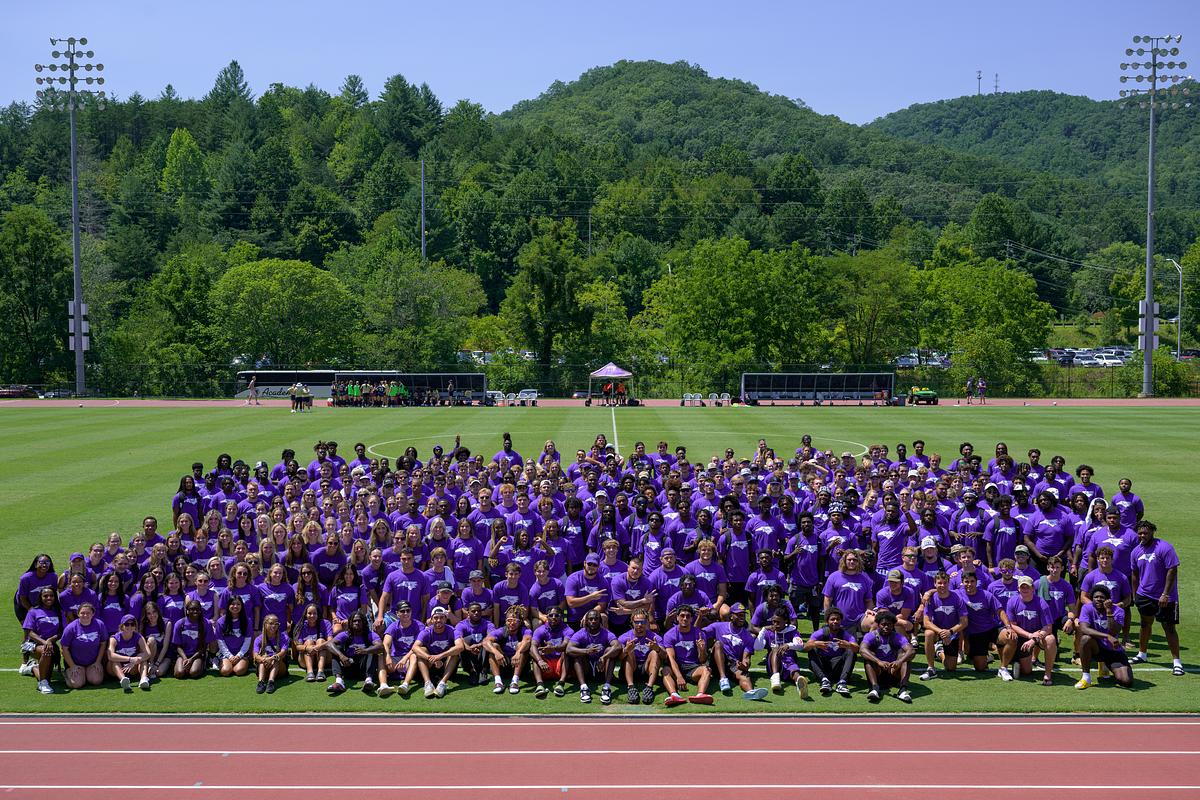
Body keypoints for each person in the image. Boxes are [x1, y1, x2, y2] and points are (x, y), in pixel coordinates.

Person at [1129, 521, 1183, 675]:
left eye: (1145, 533)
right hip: (1144, 595)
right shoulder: (1136, 552)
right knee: (1145, 624)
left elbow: (1172, 570)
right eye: (1140, 533)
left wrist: (1165, 594)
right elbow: (1134, 574)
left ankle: (1177, 662)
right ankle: (1142, 654)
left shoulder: (1164, 547)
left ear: (1152, 532)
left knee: (1169, 627)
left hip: (1165, 597)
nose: (1142, 536)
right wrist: (1135, 595)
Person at [998, 576, 1057, 685]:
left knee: (1051, 639)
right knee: (1026, 671)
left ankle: (1048, 674)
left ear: (1033, 588)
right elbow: (1012, 625)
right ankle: (1011, 662)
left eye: (1027, 587)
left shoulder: (1041, 603)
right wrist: (1029, 635)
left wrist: (1034, 639)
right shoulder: (1013, 601)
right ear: (1018, 589)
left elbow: (1048, 627)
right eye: (1022, 587)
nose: (1025, 589)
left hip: (1038, 635)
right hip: (1021, 635)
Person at [708, 603, 766, 700]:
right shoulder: (718, 626)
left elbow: (746, 657)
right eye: (739, 615)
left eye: (743, 615)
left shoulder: (747, 636)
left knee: (744, 675)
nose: (742, 618)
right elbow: (700, 633)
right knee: (718, 644)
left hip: (733, 664)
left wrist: (744, 665)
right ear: (731, 616)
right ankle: (723, 679)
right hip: (716, 662)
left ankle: (751, 692)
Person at [661, 605, 714, 707]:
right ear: (677, 618)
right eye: (682, 616)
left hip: (693, 667)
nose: (685, 618)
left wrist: (702, 650)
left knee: (707, 669)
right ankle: (674, 695)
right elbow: (671, 658)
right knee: (665, 670)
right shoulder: (669, 635)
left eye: (688, 616)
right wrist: (679, 677)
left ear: (692, 619)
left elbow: (702, 660)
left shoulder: (699, 634)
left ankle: (700, 695)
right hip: (676, 665)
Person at [566, 609, 621, 704]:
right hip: (587, 669)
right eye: (590, 619)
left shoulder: (606, 633)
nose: (593, 621)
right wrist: (586, 651)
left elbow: (618, 646)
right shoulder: (581, 633)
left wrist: (603, 657)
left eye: (596, 619)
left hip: (602, 669)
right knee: (577, 654)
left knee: (610, 651)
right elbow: (568, 649)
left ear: (600, 621)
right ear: (586, 621)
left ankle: (607, 687)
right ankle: (583, 688)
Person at [919, 571, 968, 680]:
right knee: (928, 633)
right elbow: (926, 622)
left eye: (945, 583)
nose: (942, 585)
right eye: (939, 583)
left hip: (952, 633)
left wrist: (950, 632)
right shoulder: (931, 599)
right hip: (937, 632)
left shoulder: (957, 597)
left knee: (951, 668)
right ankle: (931, 668)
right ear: (935, 584)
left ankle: (939, 651)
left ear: (949, 583)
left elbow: (964, 621)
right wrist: (941, 632)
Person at [859, 610, 915, 703]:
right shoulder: (871, 635)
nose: (886, 627)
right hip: (878, 672)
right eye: (883, 624)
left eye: (889, 624)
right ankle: (874, 688)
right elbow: (862, 649)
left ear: (893, 625)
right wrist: (878, 662)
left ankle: (902, 690)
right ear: (878, 625)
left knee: (905, 655)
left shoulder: (897, 636)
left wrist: (899, 662)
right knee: (869, 656)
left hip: (893, 671)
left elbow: (911, 650)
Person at [756, 607, 809, 699]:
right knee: (776, 649)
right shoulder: (769, 632)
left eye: (778, 622)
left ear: (785, 621)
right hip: (773, 663)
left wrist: (788, 645)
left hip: (789, 660)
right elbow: (757, 647)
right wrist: (763, 630)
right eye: (773, 621)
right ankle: (775, 678)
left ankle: (800, 684)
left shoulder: (792, 631)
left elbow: (800, 645)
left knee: (795, 672)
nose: (775, 624)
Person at [325, 611, 383, 695]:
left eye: (359, 621)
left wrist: (365, 650)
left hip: (364, 668)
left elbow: (381, 647)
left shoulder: (370, 634)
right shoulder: (345, 634)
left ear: (363, 622)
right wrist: (341, 656)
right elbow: (328, 644)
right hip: (348, 666)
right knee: (336, 648)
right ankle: (339, 682)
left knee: (372, 649)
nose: (357, 623)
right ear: (350, 623)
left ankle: (368, 681)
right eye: (354, 621)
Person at [804, 607, 858, 696]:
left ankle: (842, 683)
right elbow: (805, 648)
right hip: (824, 667)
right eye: (832, 619)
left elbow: (857, 649)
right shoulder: (820, 633)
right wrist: (815, 644)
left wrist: (848, 645)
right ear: (827, 621)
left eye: (838, 619)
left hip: (838, 668)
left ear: (841, 621)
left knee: (851, 650)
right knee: (812, 649)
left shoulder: (844, 634)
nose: (835, 621)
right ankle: (824, 681)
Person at [618, 611, 667, 704]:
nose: (640, 625)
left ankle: (649, 687)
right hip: (631, 668)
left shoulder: (655, 637)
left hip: (647, 669)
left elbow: (665, 656)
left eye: (643, 622)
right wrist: (625, 650)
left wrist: (657, 649)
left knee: (655, 653)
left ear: (647, 622)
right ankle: (631, 687)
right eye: (637, 622)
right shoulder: (624, 637)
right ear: (632, 622)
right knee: (629, 651)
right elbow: (619, 658)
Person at [412, 606, 461, 698]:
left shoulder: (452, 630)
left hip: (446, 665)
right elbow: (414, 647)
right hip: (430, 664)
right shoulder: (426, 632)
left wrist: (440, 656)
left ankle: (443, 683)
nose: (439, 620)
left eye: (441, 617)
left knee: (455, 653)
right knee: (421, 651)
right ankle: (427, 683)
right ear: (431, 620)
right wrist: (430, 658)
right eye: (436, 618)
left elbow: (460, 646)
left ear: (446, 619)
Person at [483, 607, 533, 695]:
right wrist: (496, 653)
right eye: (509, 620)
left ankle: (514, 682)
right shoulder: (501, 630)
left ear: (520, 622)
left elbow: (527, 640)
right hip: (503, 663)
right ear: (505, 621)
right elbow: (485, 642)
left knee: (521, 646)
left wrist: (518, 653)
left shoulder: (525, 630)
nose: (511, 623)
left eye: (514, 620)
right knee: (494, 646)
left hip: (519, 665)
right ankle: (498, 682)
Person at [21, 587, 62, 694]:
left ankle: (32, 668)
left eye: (51, 596)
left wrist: (50, 639)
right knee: (46, 650)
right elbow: (29, 632)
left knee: (47, 675)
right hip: (32, 644)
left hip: (49, 644)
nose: (49, 598)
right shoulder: (33, 611)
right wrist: (44, 642)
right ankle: (42, 684)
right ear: (41, 597)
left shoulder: (57, 611)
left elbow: (60, 632)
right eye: (45, 596)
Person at [378, 602, 422, 698]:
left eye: (408, 610)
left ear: (411, 612)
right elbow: (386, 643)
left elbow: (417, 647)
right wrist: (388, 656)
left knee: (414, 656)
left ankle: (405, 685)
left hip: (409, 660)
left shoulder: (419, 626)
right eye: (402, 611)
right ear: (397, 613)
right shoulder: (393, 626)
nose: (406, 613)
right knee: (381, 656)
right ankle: (383, 685)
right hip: (395, 659)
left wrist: (405, 658)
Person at [60, 602, 107, 689]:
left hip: (92, 662)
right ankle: (67, 673)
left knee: (96, 681)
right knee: (77, 684)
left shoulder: (99, 624)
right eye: (82, 613)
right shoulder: (71, 627)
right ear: (78, 614)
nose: (85, 615)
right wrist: (72, 665)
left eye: (88, 613)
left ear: (93, 614)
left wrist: (98, 662)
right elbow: (64, 648)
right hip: (75, 663)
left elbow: (103, 643)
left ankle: (86, 673)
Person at [530, 606, 573, 698]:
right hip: (546, 666)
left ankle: (561, 684)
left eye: (557, 615)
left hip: (560, 665)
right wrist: (540, 661)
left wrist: (553, 648)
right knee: (536, 654)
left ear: (561, 617)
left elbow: (565, 645)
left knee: (566, 652)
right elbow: (532, 646)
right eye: (551, 615)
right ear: (547, 616)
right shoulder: (540, 630)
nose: (554, 617)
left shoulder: (568, 630)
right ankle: (540, 685)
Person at [253, 614, 289, 694]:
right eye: (271, 623)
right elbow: (255, 656)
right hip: (264, 667)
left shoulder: (284, 637)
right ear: (265, 624)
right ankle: (261, 682)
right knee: (263, 658)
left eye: (276, 624)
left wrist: (272, 658)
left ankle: (271, 682)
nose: (274, 626)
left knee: (276, 659)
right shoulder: (258, 639)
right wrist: (265, 659)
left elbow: (283, 652)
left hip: (280, 669)